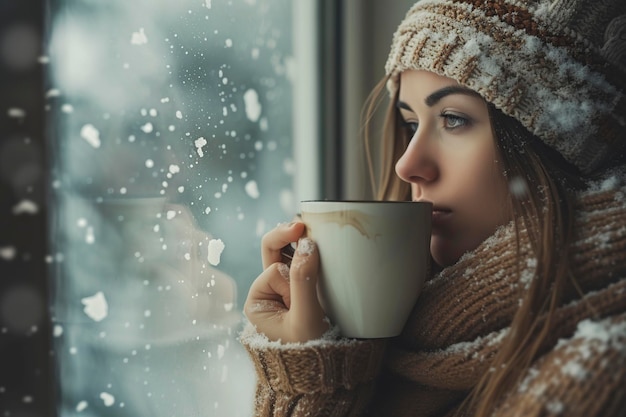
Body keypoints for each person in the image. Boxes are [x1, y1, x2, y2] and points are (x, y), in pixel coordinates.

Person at [240, 0, 626, 416]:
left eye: (454, 119)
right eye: (410, 124)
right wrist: (311, 361)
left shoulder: (599, 371)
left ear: (561, 145)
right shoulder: (406, 343)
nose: (407, 166)